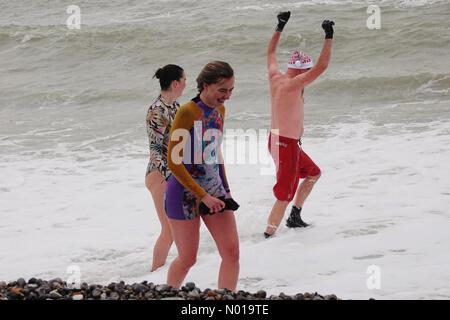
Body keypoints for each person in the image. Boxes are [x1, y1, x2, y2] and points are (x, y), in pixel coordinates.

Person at [165, 61, 240, 291]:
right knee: (188, 258)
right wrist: (203, 196)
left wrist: (225, 190)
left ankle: (226, 300)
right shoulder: (188, 111)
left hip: (214, 189)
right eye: (222, 90)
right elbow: (174, 161)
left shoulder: (220, 111)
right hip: (183, 193)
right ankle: (168, 294)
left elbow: (215, 153)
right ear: (205, 86)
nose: (227, 96)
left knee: (232, 253)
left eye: (230, 90)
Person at [264, 11, 335, 238]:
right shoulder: (294, 84)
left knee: (313, 173)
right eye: (307, 71)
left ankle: (295, 216)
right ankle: (268, 237)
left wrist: (280, 25)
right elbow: (322, 67)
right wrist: (329, 35)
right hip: (286, 144)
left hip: (279, 140)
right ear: (303, 70)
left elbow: (271, 52)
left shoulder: (276, 76)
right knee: (284, 194)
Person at [145, 64, 186, 271]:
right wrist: (170, 177)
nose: (186, 84)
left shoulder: (175, 107)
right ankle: (154, 274)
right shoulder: (157, 110)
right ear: (175, 83)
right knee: (169, 230)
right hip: (158, 174)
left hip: (173, 174)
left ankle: (174, 272)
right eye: (184, 80)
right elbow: (156, 150)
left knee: (178, 227)